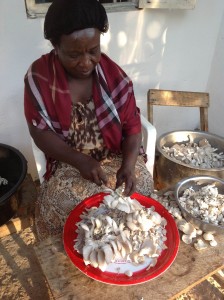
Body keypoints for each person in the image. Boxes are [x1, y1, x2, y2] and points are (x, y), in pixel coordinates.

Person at [24, 0, 153, 241]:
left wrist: (129, 164)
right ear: (55, 46)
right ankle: (73, 255)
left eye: (93, 51)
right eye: (73, 54)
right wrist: (79, 160)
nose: (85, 62)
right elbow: (39, 132)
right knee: (66, 202)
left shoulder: (115, 76)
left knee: (140, 188)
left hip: (114, 155)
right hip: (68, 161)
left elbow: (133, 127)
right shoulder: (39, 78)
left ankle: (121, 247)